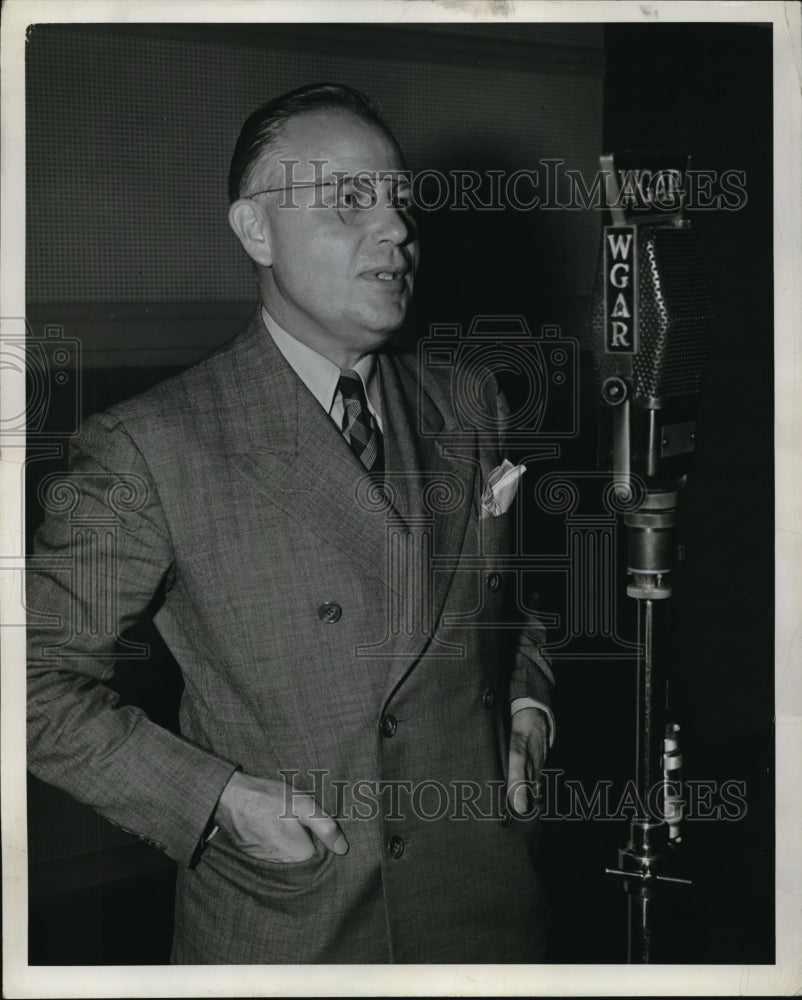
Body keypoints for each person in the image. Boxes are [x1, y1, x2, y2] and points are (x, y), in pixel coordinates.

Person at [26, 83, 555, 964]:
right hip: (298, 917)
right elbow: (27, 678)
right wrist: (217, 798)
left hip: (489, 909)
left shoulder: (470, 402)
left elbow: (510, 605)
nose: (395, 229)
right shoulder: (152, 444)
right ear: (255, 231)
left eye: (399, 200)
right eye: (350, 200)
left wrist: (529, 701)